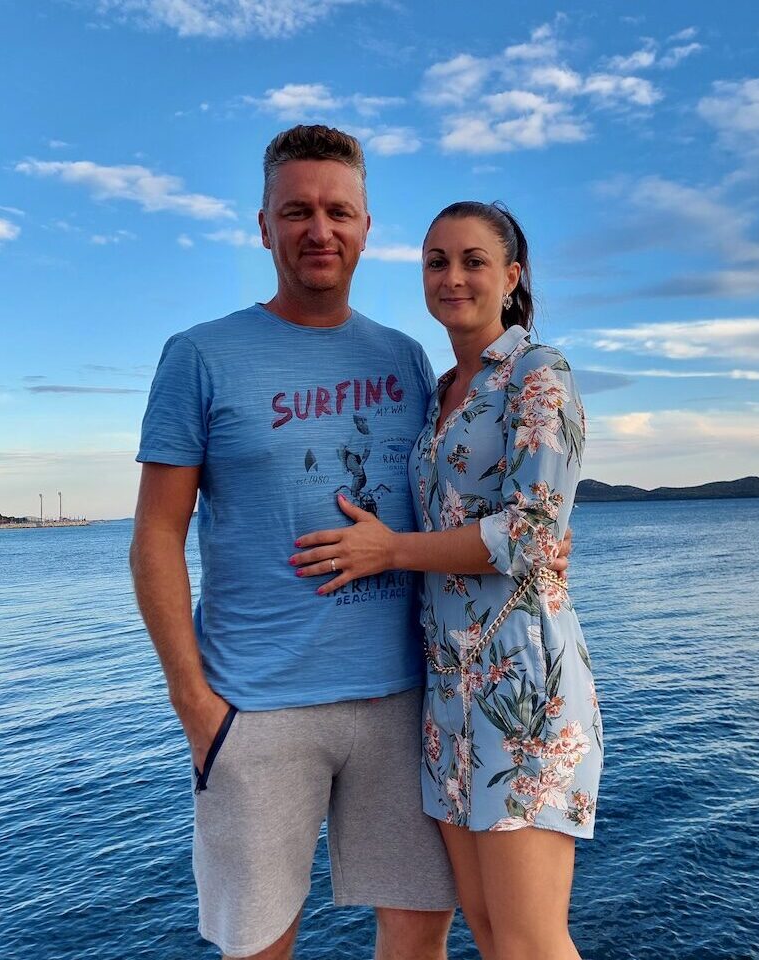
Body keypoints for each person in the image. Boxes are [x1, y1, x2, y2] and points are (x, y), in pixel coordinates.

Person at [129, 125, 459, 960]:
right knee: (259, 945)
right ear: (264, 225)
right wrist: (196, 708)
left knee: (420, 931)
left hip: (403, 698)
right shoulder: (200, 355)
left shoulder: (406, 356)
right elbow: (156, 538)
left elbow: (446, 505)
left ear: (366, 225)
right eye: (298, 211)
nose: (321, 230)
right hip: (257, 706)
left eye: (338, 211)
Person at [291, 201, 603, 960]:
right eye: (437, 261)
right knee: (492, 936)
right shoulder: (437, 394)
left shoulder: (538, 374)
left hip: (524, 691)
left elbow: (533, 533)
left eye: (472, 261)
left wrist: (390, 551)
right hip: (448, 700)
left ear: (512, 277)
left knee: (531, 941)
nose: (453, 277)